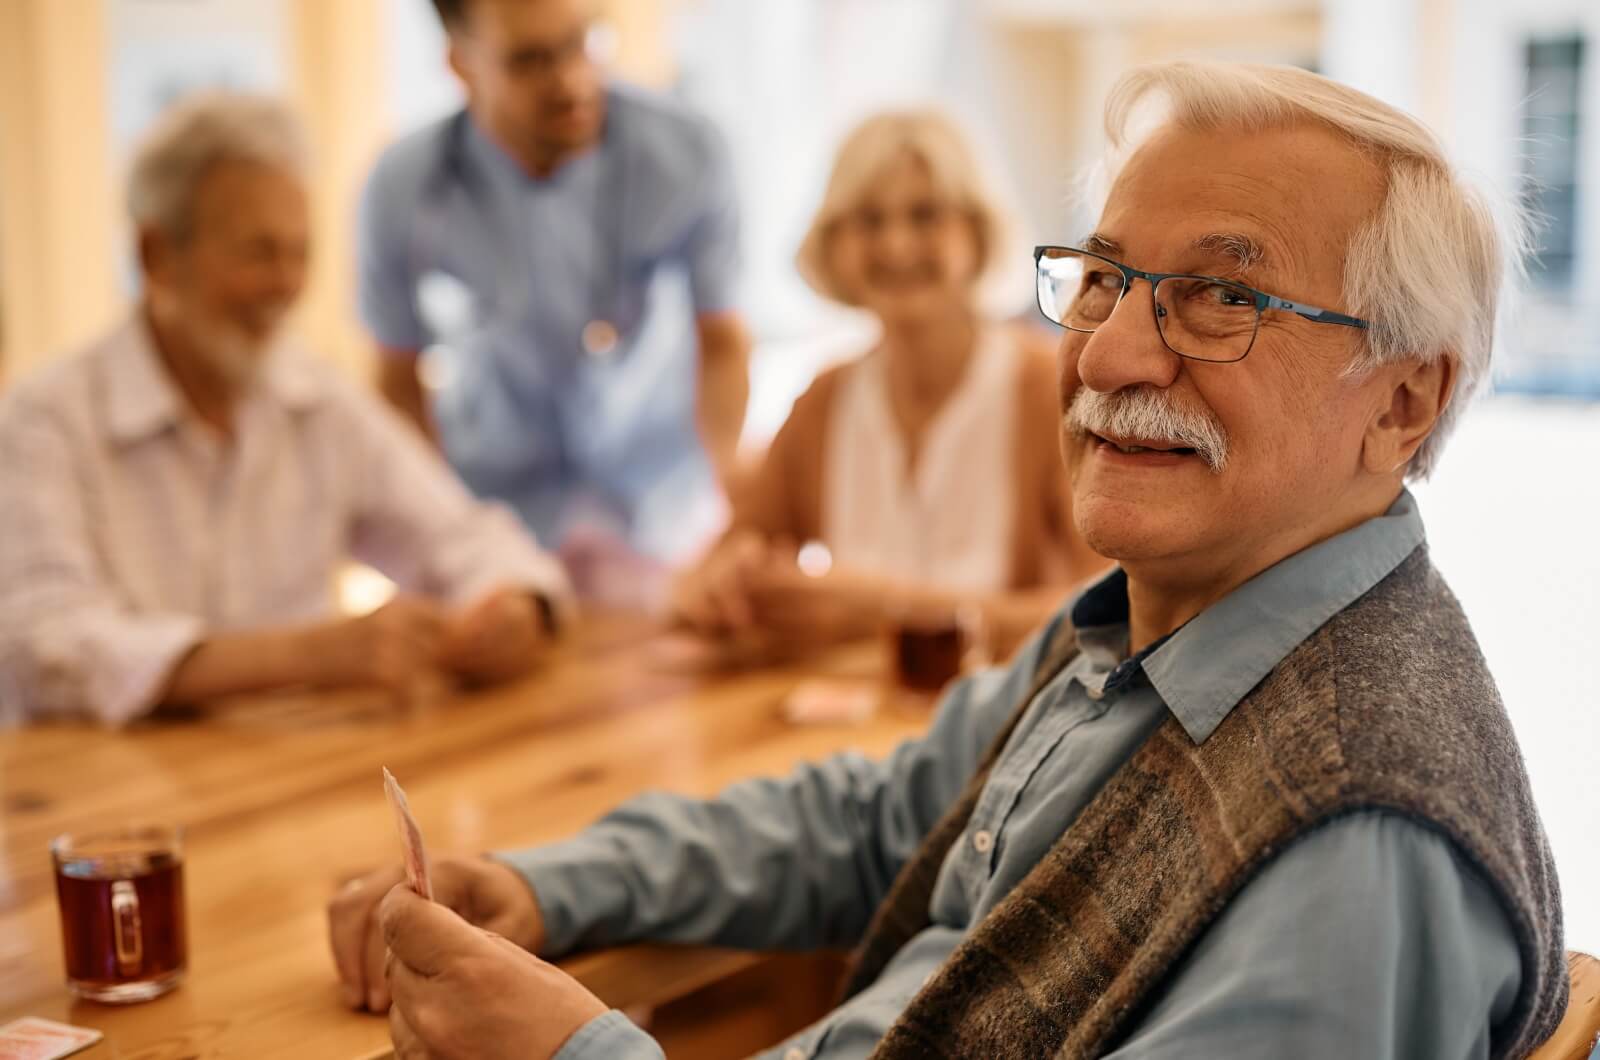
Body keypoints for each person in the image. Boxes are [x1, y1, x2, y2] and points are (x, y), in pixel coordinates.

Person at [328, 61, 1570, 1059]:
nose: (1105, 357)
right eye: (1105, 280)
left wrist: (576, 1050)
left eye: (1215, 298)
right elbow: (879, 820)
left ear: (1403, 405)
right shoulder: (1155, 622)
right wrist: (548, 885)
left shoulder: (1357, 838)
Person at [0, 94, 572, 729]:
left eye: (300, 253)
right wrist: (307, 654)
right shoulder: (43, 419)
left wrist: (515, 606)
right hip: (100, 814)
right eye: (258, 253)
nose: (286, 284)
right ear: (157, 256)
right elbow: (40, 646)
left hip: (286, 790)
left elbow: (466, 538)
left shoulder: (317, 399)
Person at [670, 110, 1109, 652]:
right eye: (869, 220)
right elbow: (716, 567)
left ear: (977, 232)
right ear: (834, 243)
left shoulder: (1051, 391)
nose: (896, 245)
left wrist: (882, 613)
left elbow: (1108, 614)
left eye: (925, 216)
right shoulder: (823, 399)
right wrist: (721, 588)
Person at [359, 0, 751, 566]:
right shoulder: (403, 188)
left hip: (662, 505)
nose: (570, 81)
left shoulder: (688, 153)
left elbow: (722, 342)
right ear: (460, 63)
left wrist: (734, 494)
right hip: (498, 510)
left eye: (583, 43)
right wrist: (443, 527)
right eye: (529, 60)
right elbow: (397, 379)